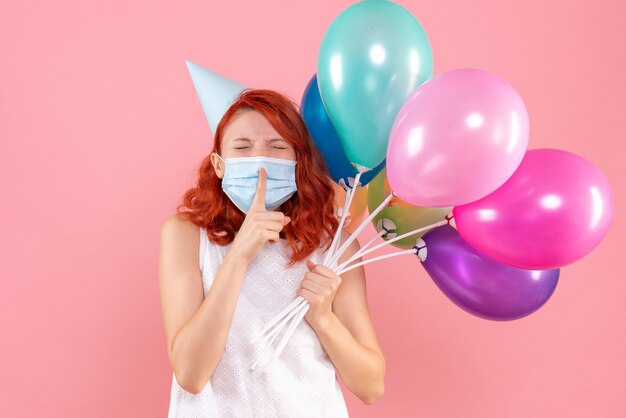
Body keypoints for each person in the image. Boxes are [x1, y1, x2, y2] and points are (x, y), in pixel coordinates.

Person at [159, 89, 385, 417]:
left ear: (297, 163)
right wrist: (238, 256)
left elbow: (371, 386)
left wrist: (322, 316)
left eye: (277, 147)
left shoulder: (337, 246)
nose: (260, 161)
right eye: (242, 147)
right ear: (219, 165)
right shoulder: (186, 235)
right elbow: (191, 375)